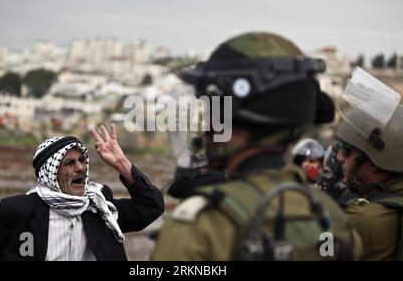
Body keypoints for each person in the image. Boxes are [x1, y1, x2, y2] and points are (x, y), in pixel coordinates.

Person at [151, 32, 362, 261]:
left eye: (216, 112)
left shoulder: (199, 225)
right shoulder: (332, 216)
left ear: (237, 120)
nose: (209, 129)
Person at [0, 124, 164, 261]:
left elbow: (151, 207)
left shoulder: (99, 206)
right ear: (51, 173)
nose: (81, 168)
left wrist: (123, 165)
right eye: (70, 163)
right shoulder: (20, 209)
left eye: (82, 160)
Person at [336, 106, 403, 261]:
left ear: (374, 164)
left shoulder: (363, 219)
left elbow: (317, 252)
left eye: (346, 151)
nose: (339, 157)